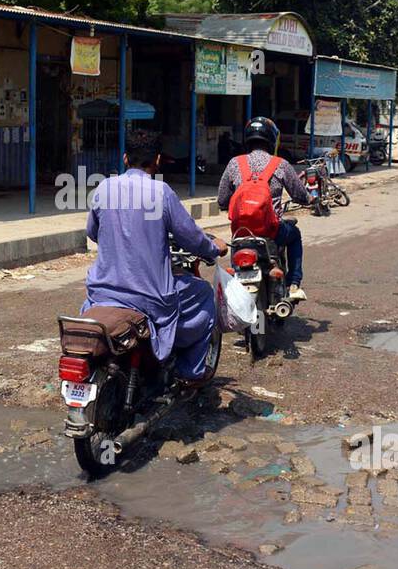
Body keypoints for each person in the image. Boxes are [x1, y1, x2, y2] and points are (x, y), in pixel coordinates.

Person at [83, 129, 227, 384]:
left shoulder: (104, 188)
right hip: (149, 297)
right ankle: (191, 372)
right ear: (157, 160)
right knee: (204, 293)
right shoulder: (161, 192)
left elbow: (93, 233)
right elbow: (191, 238)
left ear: (125, 158)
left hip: (101, 294)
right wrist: (214, 247)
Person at [217, 116, 311, 302]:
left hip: (241, 234)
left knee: (236, 260)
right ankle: (293, 284)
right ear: (271, 139)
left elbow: (222, 200)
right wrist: (309, 199)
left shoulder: (235, 163)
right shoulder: (281, 164)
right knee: (295, 234)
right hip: (272, 232)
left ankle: (236, 290)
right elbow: (300, 195)